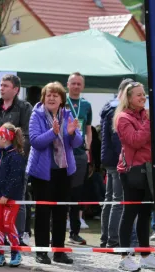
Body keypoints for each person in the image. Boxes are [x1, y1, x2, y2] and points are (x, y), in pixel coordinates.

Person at [26, 82, 83, 265]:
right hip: (42, 173)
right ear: (43, 98)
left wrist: (72, 134)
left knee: (61, 212)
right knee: (43, 213)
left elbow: (77, 143)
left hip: (64, 172)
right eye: (48, 95)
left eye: (55, 95)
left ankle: (59, 251)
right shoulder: (36, 115)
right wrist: (53, 132)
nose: (51, 98)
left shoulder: (67, 114)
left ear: (61, 100)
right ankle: (41, 252)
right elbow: (35, 141)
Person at [114, 82, 155, 272]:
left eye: (144, 94)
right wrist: (149, 122)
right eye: (138, 95)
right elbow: (136, 141)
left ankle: (145, 255)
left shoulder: (144, 115)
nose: (143, 98)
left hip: (147, 169)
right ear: (128, 98)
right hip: (131, 171)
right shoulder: (123, 118)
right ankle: (124, 256)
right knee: (130, 212)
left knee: (145, 214)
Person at [0, 74, 33, 245]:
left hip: (16, 158)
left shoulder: (24, 107)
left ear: (16, 89)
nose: (2, 88)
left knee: (17, 197)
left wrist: (19, 155)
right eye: (1, 85)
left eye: (6, 85)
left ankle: (18, 234)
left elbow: (27, 135)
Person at [100, 78, 134, 248]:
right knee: (119, 201)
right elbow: (118, 139)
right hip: (119, 160)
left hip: (109, 160)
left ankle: (106, 238)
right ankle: (114, 240)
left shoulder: (109, 106)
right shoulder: (118, 109)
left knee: (110, 200)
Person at [0, 123, 26, 267]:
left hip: (10, 199)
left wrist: (6, 194)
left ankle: (16, 252)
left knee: (8, 224)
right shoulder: (2, 154)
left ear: (4, 138)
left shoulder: (15, 156)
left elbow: (15, 178)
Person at [66, 72, 93, 245]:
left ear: (82, 86)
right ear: (67, 85)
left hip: (80, 153)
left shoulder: (86, 105)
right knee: (61, 192)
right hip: (63, 153)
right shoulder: (61, 101)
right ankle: (57, 231)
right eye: (73, 83)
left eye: (79, 84)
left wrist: (88, 148)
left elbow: (88, 129)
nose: (76, 86)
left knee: (77, 193)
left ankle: (74, 232)